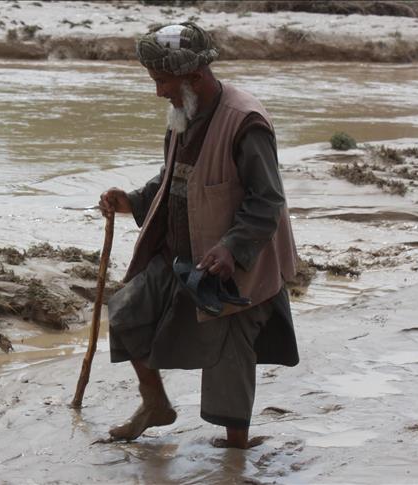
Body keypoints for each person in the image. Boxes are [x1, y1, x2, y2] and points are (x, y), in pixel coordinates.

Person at [98, 22, 300, 449]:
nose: (158, 92)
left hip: (236, 263)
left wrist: (231, 248)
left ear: (193, 76)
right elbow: (174, 179)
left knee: (230, 349)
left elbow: (267, 200)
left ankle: (236, 447)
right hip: (179, 252)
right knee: (126, 312)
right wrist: (131, 200)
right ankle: (155, 404)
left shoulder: (245, 122)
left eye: (161, 81)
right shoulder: (183, 113)